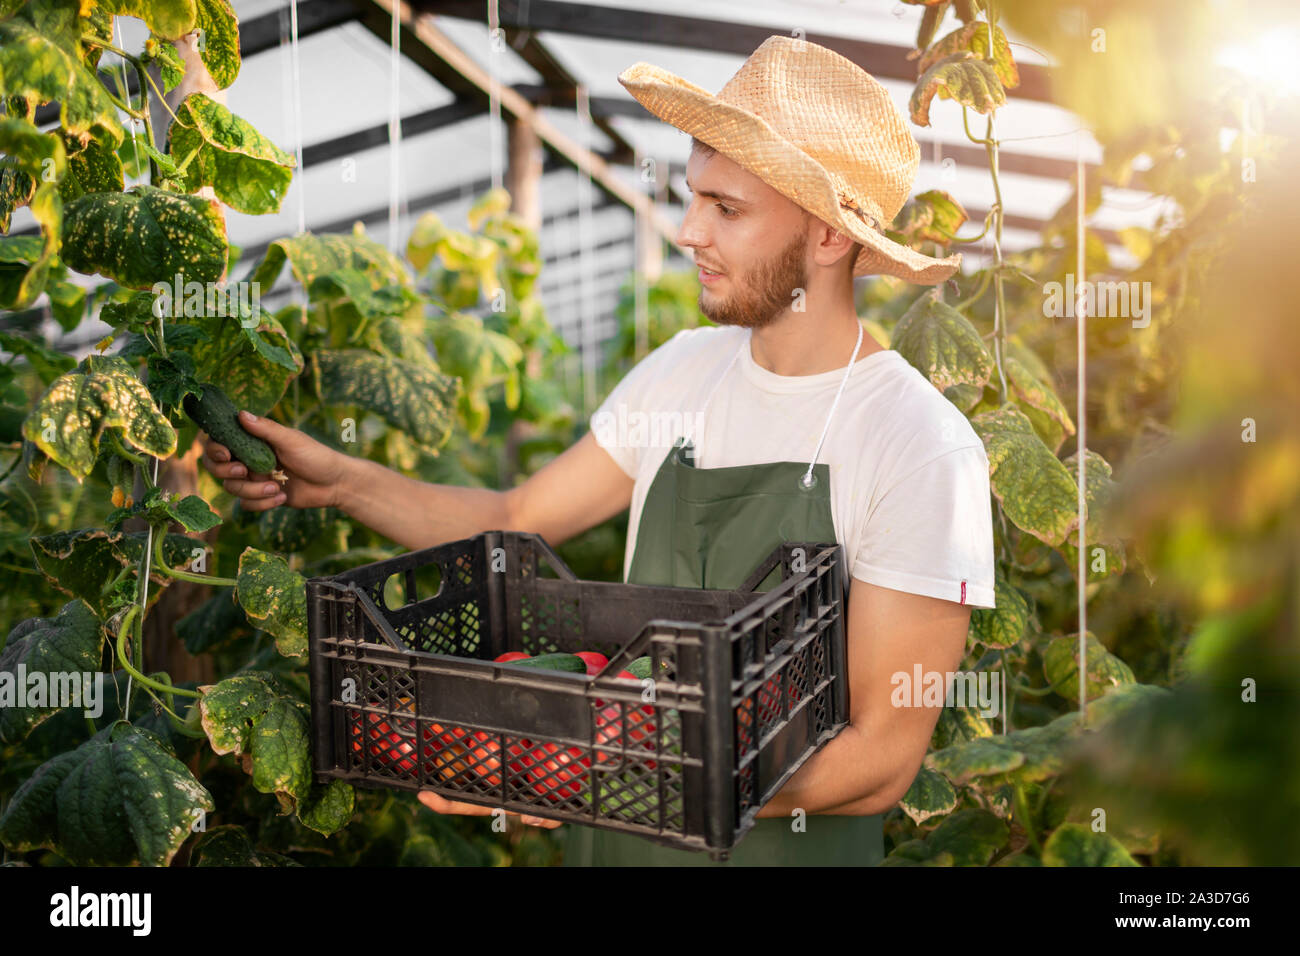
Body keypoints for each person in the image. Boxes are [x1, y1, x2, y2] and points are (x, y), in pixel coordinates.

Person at [200, 35, 996, 866]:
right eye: (694, 196)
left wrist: (603, 763)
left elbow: (877, 764)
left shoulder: (918, 444)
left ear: (828, 238)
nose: (689, 230)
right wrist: (339, 484)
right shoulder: (683, 372)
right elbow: (515, 519)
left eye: (727, 209)